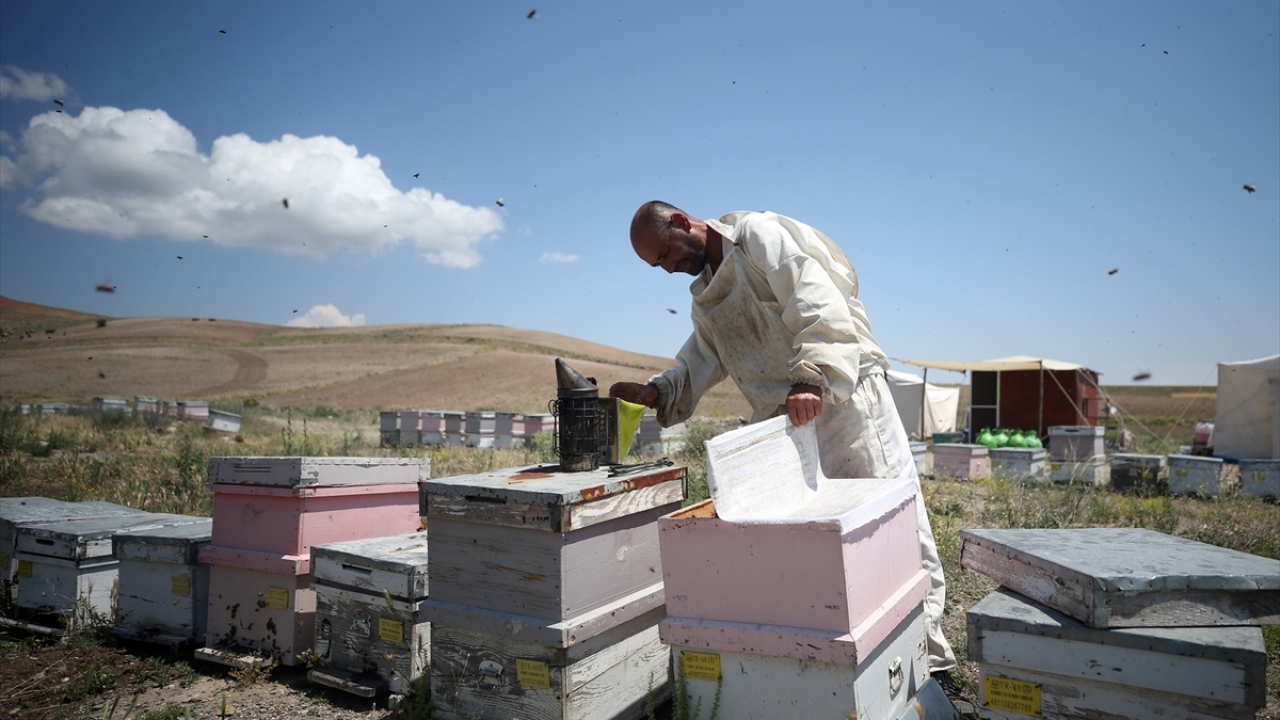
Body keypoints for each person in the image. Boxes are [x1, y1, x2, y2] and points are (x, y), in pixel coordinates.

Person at [609, 201, 957, 674]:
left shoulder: (758, 236)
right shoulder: (706, 292)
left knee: (888, 520)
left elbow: (815, 299)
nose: (669, 268)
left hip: (842, 398)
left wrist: (812, 375)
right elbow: (704, 355)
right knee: (816, 535)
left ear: (682, 222)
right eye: (658, 266)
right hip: (785, 417)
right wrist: (659, 390)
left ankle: (923, 652)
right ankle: (845, 657)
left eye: (666, 253)